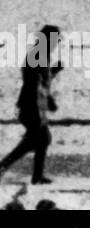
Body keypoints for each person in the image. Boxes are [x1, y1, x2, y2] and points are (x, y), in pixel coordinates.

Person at [0, 25, 61, 185]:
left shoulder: (39, 55)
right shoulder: (39, 55)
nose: (58, 42)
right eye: (56, 38)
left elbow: (41, 80)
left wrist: (53, 71)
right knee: (38, 139)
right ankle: (33, 176)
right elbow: (36, 84)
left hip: (32, 105)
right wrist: (48, 101)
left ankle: (35, 176)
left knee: (38, 140)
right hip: (32, 106)